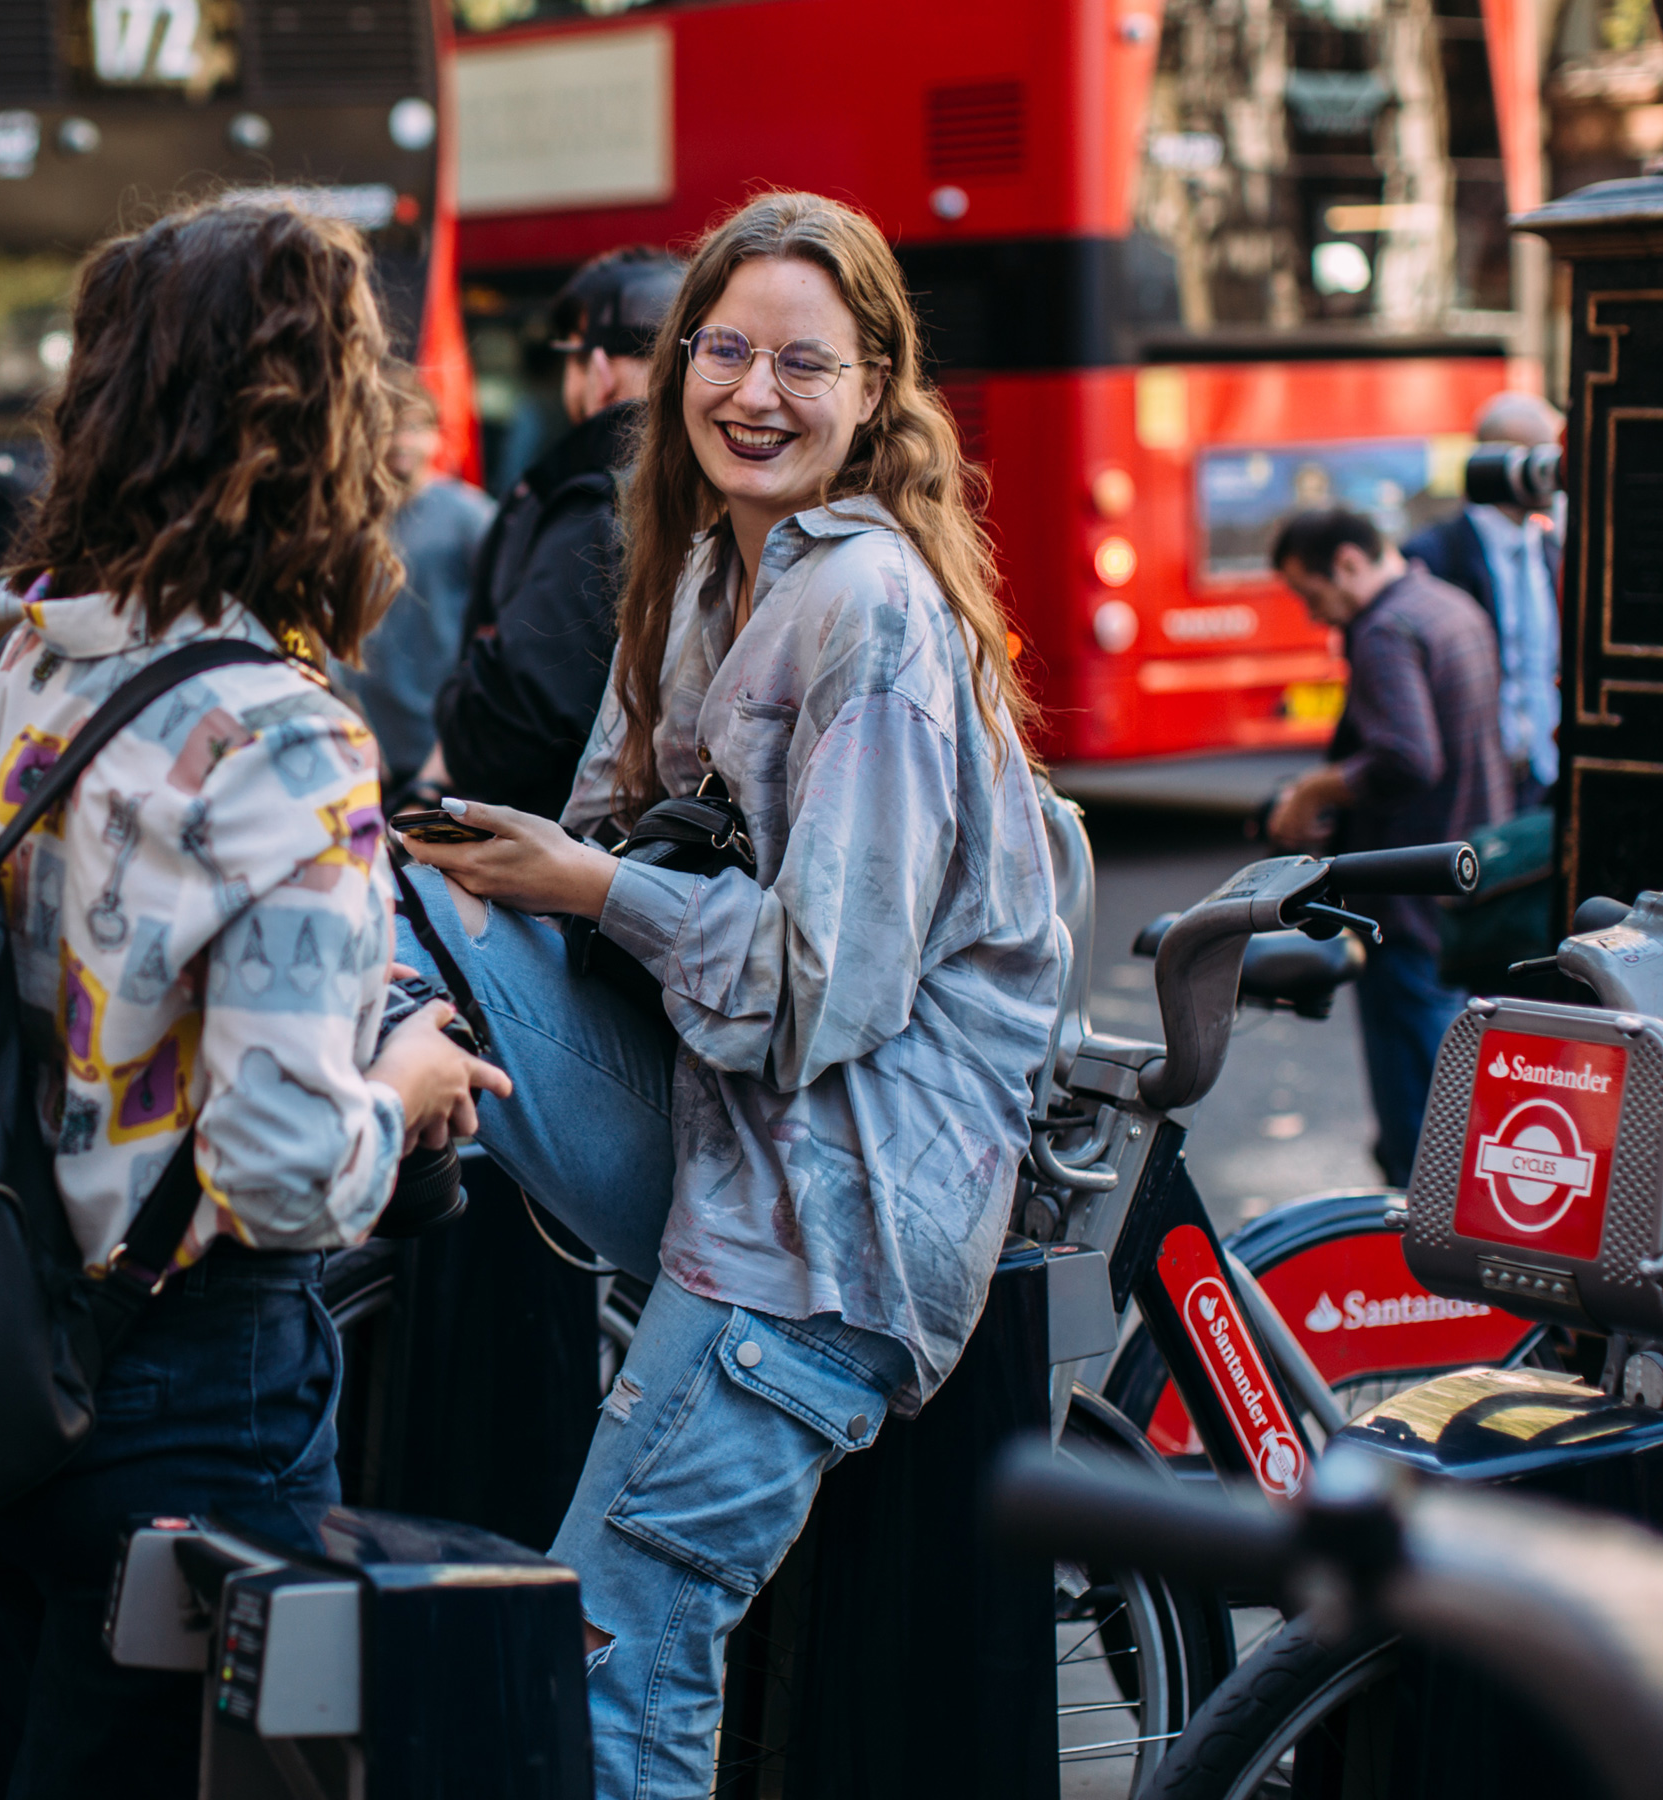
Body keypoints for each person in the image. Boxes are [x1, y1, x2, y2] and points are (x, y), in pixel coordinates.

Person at [394, 190, 1061, 1800]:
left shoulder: (872, 610)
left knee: (611, 1654)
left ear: (877, 392)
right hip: (714, 1133)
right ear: (677, 362)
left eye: (805, 365)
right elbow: (599, 864)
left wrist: (585, 883)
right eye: (727, 348)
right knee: (390, 874)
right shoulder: (698, 580)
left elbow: (829, 990)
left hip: (825, 1226)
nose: (755, 394)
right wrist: (537, 875)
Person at [0, 196, 507, 1800]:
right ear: (317, 427)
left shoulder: (7, 677)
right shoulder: (286, 738)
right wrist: (405, 1089)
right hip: (191, 1379)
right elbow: (283, 1168)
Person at [1264, 507, 1512, 1186]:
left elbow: (1408, 756)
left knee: (1419, 1105)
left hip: (1404, 894)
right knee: (1457, 1057)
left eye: (1313, 596)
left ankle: (1424, 1236)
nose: (1319, 617)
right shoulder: (1449, 605)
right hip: (1466, 875)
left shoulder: (1384, 631)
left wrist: (1316, 789)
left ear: (1347, 562)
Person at [422, 247, 682, 818]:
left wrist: (459, 710)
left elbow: (514, 725)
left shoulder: (591, 502)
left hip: (557, 853)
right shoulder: (715, 487)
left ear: (600, 371)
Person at [329, 366, 495, 796]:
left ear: (438, 435)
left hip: (441, 753)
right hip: (361, 746)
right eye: (388, 428)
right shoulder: (347, 519)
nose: (401, 441)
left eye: (414, 427)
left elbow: (502, 634)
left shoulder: (471, 517)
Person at [1403, 391, 1564, 806]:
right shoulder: (1434, 554)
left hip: (1544, 773)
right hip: (1471, 783)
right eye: (1543, 457)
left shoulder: (1551, 552)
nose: (1555, 473)